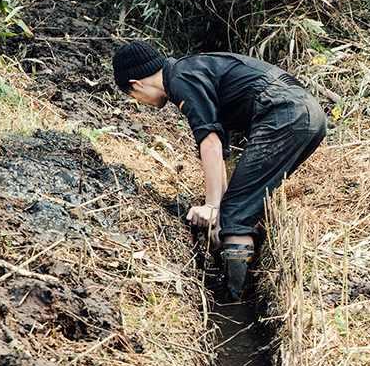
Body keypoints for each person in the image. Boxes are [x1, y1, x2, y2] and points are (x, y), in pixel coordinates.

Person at [112, 41, 327, 297]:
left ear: (136, 84)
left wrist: (214, 208)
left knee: (235, 216)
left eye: (134, 97)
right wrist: (218, 205)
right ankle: (245, 271)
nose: (141, 102)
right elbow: (220, 149)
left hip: (284, 113)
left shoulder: (180, 80)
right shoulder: (190, 69)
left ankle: (234, 298)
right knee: (240, 205)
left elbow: (210, 143)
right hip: (307, 112)